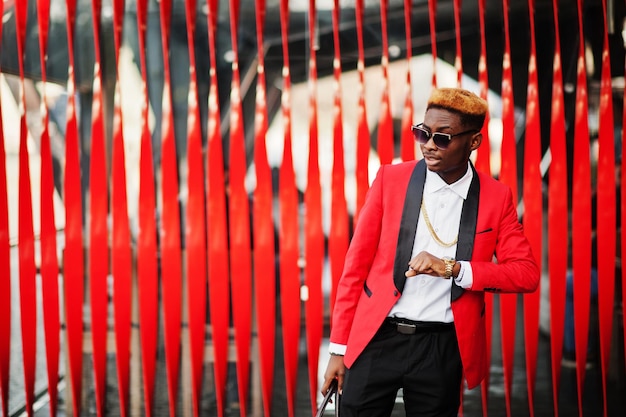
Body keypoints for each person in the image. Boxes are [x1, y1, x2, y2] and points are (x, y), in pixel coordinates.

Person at [321, 87, 540, 417]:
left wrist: (454, 269)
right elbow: (355, 268)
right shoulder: (389, 180)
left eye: (442, 138)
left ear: (474, 142)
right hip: (376, 338)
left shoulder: (497, 197)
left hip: (441, 348)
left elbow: (526, 274)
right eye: (422, 133)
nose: (427, 145)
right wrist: (338, 350)